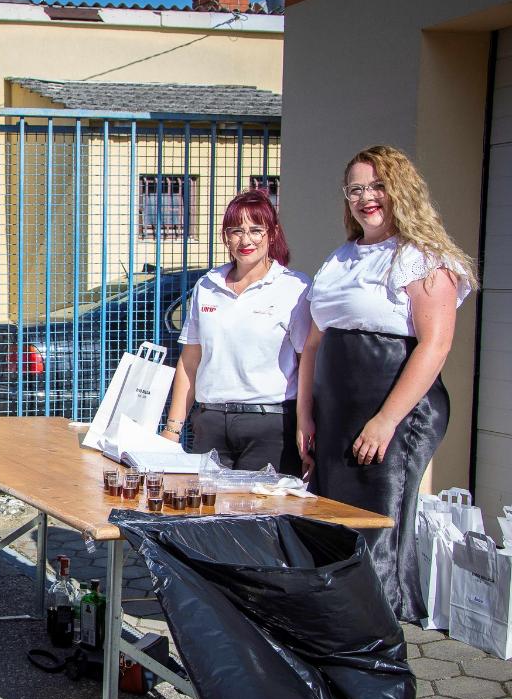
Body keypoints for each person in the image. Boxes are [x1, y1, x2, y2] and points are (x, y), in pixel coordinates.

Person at [297, 145, 476, 622]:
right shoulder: (340, 258)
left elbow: (435, 345)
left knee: (379, 523)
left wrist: (386, 420)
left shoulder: (424, 258)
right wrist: (305, 415)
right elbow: (313, 344)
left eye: (377, 186)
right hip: (337, 412)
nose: (366, 197)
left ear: (401, 191)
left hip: (395, 411)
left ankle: (383, 629)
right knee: (336, 518)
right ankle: (342, 621)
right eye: (355, 189)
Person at [161, 189, 311, 474]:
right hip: (211, 424)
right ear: (225, 236)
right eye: (236, 231)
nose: (246, 240)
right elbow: (190, 362)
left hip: (271, 426)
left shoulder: (295, 288)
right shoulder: (207, 285)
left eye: (256, 230)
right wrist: (172, 430)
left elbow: (308, 363)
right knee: (206, 502)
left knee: (262, 504)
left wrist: (306, 423)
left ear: (272, 234)